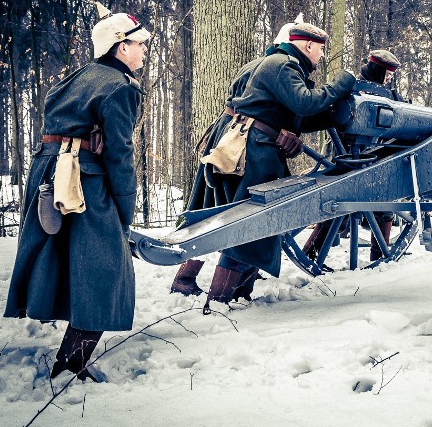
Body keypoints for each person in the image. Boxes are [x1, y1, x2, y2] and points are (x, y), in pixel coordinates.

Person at [4, 2, 150, 382]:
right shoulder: (120, 87)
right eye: (139, 44)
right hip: (83, 180)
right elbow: (120, 154)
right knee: (106, 266)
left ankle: (71, 361)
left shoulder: (77, 77)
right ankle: (70, 365)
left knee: (64, 259)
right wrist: (125, 205)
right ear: (121, 47)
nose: (144, 50)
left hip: (49, 172)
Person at [199, 23, 356, 311]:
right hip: (257, 150)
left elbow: (300, 118)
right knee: (249, 224)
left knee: (256, 226)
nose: (321, 56)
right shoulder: (282, 65)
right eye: (320, 49)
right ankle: (220, 300)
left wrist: (335, 116)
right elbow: (305, 103)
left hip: (261, 147)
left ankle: (235, 296)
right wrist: (342, 82)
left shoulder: (283, 65)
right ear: (307, 45)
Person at [170, 17, 304, 298]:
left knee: (213, 210)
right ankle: (221, 294)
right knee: (244, 217)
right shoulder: (280, 68)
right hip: (244, 145)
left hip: (226, 139)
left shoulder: (255, 65)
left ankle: (185, 277)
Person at [302, 49, 403, 263]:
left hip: (370, 159)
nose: (388, 79)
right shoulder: (351, 89)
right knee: (337, 208)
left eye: (391, 76)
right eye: (387, 74)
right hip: (345, 158)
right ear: (377, 70)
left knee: (383, 209)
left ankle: (380, 259)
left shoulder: (388, 96)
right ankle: (311, 255)